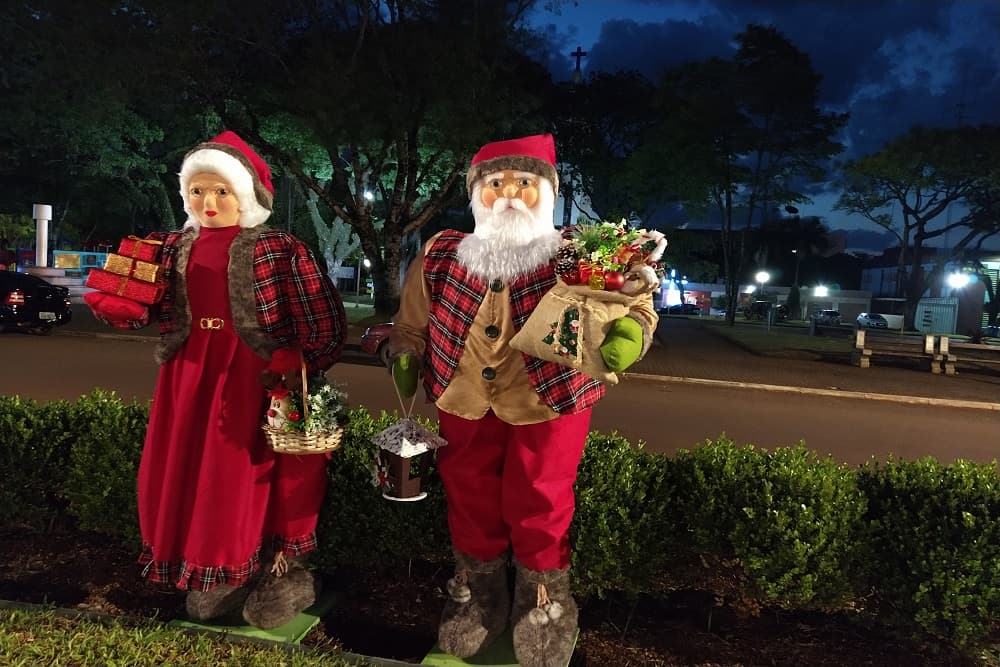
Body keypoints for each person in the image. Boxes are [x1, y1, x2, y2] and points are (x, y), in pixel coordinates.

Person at [387, 134, 657, 667]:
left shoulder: (580, 249)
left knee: (542, 497)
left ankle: (544, 598)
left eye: (524, 183)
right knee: (468, 495)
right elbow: (413, 319)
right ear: (476, 195)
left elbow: (635, 299)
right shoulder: (442, 251)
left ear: (548, 192)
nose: (508, 193)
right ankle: (478, 593)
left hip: (548, 396)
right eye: (495, 184)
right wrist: (405, 348)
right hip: (460, 395)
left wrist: (632, 332)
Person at [85, 131, 347, 629]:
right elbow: (134, 300)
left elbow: (321, 318)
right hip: (189, 370)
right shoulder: (167, 246)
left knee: (244, 470)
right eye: (199, 190)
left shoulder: (280, 248)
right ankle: (208, 566)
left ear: (246, 194)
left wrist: (302, 357)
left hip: (253, 373)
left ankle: (269, 565)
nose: (208, 202)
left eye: (221, 191)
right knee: (187, 467)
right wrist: (116, 303)